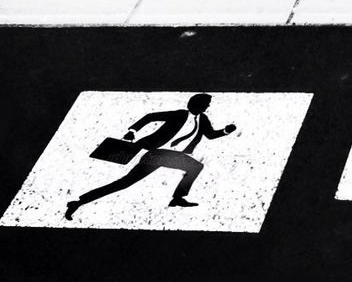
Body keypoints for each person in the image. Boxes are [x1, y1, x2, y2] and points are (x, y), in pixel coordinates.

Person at [64, 93, 237, 218]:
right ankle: (79, 202)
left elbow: (211, 135)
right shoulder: (179, 114)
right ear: (196, 104)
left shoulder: (203, 119)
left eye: (207, 105)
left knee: (194, 166)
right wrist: (132, 131)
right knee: (125, 183)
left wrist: (226, 131)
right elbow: (150, 116)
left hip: (170, 155)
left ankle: (178, 198)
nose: (207, 107)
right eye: (205, 104)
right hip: (157, 153)